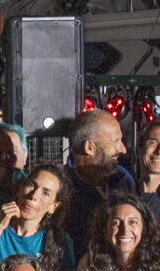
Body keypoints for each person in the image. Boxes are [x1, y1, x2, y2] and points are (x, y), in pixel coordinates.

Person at [58, 110, 137, 258]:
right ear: (89, 147)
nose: (123, 149)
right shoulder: (59, 188)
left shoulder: (123, 179)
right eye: (116, 141)